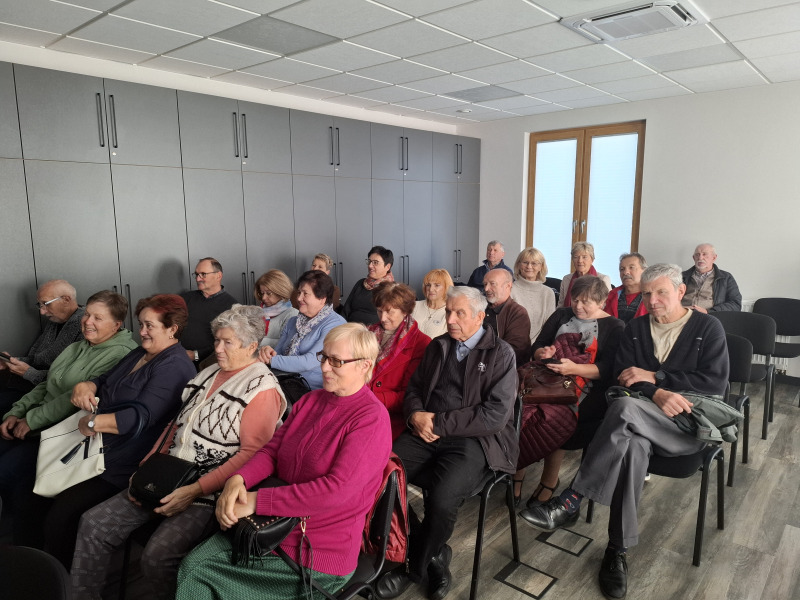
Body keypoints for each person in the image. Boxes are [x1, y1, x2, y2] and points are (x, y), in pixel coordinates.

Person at [519, 264, 728, 600]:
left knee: (624, 409)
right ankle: (617, 550)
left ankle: (573, 497)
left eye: (661, 292)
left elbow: (714, 384)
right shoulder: (637, 328)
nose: (652, 300)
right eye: (646, 294)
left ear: (680, 291)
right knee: (629, 440)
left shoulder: (707, 327)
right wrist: (655, 393)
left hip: (685, 427)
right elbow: (622, 378)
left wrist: (656, 380)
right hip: (637, 423)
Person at [71, 305, 287, 600]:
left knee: (157, 556)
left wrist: (195, 490)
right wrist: (147, 466)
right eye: (216, 340)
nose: (218, 349)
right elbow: (175, 425)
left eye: (227, 342)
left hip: (209, 492)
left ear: (251, 346)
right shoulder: (208, 373)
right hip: (168, 473)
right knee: (94, 524)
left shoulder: (261, 388)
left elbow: (252, 455)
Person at [175, 323, 392, 600]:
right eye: (323, 357)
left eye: (336, 361)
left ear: (364, 366)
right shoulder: (311, 401)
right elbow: (272, 451)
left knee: (196, 571)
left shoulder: (371, 419)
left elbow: (336, 491)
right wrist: (238, 479)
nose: (324, 367)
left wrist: (256, 500)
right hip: (273, 524)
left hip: (318, 549)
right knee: (194, 564)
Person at [13, 294, 197, 568]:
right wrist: (87, 385)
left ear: (172, 329)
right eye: (141, 324)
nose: (142, 331)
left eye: (149, 326)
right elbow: (104, 379)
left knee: (60, 517)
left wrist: (92, 423)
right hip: (93, 446)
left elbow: (139, 418)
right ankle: (29, 569)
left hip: (121, 461)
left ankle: (61, 578)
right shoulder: (140, 353)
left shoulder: (175, 366)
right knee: (31, 495)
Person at [376, 286, 518, 600]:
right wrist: (415, 415)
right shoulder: (439, 346)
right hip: (425, 433)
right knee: (379, 475)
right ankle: (433, 552)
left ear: (480, 317)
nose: (450, 319)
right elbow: (414, 389)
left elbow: (494, 416)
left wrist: (438, 423)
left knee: (441, 500)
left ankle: (413, 568)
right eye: (448, 312)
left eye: (459, 313)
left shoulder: (501, 354)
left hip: (473, 441)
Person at [0, 291, 138, 509]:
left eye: (98, 318)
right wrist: (17, 411)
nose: (88, 321)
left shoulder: (122, 354)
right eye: (87, 314)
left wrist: (31, 420)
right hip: (39, 423)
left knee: (8, 471)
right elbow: (48, 383)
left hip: (65, 434)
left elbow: (71, 399)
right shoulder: (78, 346)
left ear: (116, 325)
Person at [513, 277, 623, 506]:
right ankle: (517, 472)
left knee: (553, 416)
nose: (578, 306)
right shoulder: (562, 314)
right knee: (518, 408)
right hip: (547, 378)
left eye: (586, 302)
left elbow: (608, 370)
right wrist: (543, 353)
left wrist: (573, 369)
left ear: (602, 302)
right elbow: (538, 345)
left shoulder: (615, 327)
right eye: (575, 300)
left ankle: (548, 481)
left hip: (587, 388)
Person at [0, 280, 85, 411]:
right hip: (28, 383)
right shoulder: (55, 321)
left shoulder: (85, 326)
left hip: (46, 394)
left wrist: (28, 373)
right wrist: (11, 361)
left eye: (46, 304)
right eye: (40, 305)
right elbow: (35, 358)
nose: (42, 312)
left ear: (66, 299)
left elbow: (68, 379)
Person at [259, 270, 345, 390]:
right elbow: (277, 353)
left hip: (312, 388)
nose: (299, 298)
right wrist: (268, 353)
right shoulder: (293, 321)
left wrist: (271, 360)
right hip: (285, 381)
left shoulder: (334, 324)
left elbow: (309, 361)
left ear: (322, 298)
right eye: (299, 292)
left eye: (305, 294)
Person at [368, 282, 431, 439]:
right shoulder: (367, 333)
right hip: (360, 407)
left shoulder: (421, 343)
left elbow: (410, 393)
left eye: (389, 312)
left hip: (391, 417)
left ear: (405, 311)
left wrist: (368, 399)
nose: (383, 318)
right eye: (379, 311)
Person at [180, 257, 237, 366]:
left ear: (218, 276)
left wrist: (195, 354)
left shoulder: (232, 307)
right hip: (179, 360)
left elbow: (229, 342)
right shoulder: (185, 299)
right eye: (196, 274)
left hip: (210, 365)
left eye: (203, 274)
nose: (198, 279)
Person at [483, 269, 531, 366]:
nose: (486, 289)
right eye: (485, 284)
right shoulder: (480, 307)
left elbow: (513, 351)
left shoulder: (518, 313)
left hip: (499, 367)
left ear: (508, 286)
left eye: (492, 284)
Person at [509, 247, 556, 344]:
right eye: (525, 262)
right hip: (515, 344)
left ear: (541, 267)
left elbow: (550, 326)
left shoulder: (548, 293)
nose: (529, 266)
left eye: (534, 263)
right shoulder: (510, 290)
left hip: (540, 345)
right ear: (519, 265)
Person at [681, 243, 742, 313]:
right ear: (694, 258)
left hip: (711, 316)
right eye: (697, 254)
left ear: (714, 258)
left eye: (704, 254)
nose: (700, 258)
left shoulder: (726, 278)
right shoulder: (681, 277)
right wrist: (682, 309)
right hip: (683, 315)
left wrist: (709, 311)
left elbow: (735, 304)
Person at [343, 246, 394, 325]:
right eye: (369, 261)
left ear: (388, 266)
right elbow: (346, 310)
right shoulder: (360, 283)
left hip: (372, 331)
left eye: (375, 262)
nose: (370, 266)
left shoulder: (392, 290)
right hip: (349, 328)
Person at [557, 242, 612, 308]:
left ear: (592, 260)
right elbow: (560, 307)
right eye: (576, 257)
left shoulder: (603, 279)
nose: (580, 261)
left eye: (584, 257)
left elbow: (607, 307)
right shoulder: (566, 279)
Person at [254, 269, 299, 349]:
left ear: (280, 291)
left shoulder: (292, 314)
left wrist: (255, 341)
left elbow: (287, 343)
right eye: (262, 293)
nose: (264, 298)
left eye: (268, 293)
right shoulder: (259, 311)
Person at [606, 253, 649, 323]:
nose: (625, 272)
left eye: (631, 267)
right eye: (622, 269)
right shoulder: (612, 295)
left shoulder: (651, 296)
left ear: (644, 271)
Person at [411, 269, 454, 339]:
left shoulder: (451, 312)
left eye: (437, 285)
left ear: (446, 288)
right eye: (428, 285)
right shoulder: (414, 306)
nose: (431, 289)